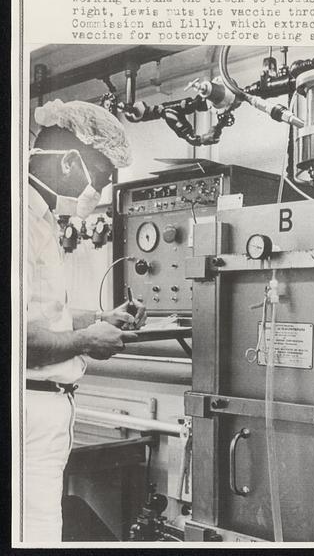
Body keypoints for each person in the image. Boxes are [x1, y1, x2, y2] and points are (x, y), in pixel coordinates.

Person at [25, 99, 146, 542]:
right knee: (36, 531)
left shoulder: (39, 220)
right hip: (30, 406)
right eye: (103, 176)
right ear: (72, 161)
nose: (101, 189)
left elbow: (43, 315)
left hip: (42, 404)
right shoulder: (21, 220)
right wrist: (85, 341)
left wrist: (100, 317)